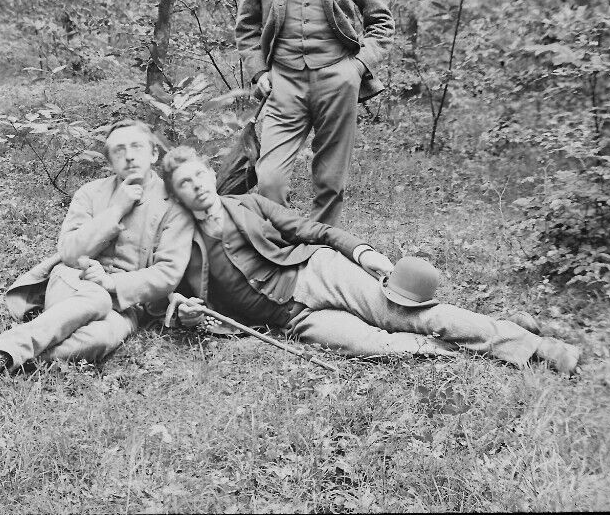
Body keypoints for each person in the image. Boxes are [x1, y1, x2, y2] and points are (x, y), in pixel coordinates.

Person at [161, 145, 581, 372]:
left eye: (198, 174)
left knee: (405, 315)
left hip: (315, 273)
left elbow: (315, 230)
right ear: (176, 194)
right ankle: (493, 337)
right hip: (293, 319)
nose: (196, 185)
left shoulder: (249, 204)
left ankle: (538, 346)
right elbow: (175, 300)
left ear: (211, 174)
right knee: (381, 346)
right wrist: (186, 316)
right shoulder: (179, 242)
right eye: (184, 183)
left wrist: (362, 252)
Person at [0, 119, 195, 385]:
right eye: (118, 150)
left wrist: (112, 282)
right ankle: (4, 352)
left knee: (101, 338)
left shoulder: (174, 204)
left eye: (137, 147)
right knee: (97, 298)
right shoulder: (90, 193)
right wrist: (116, 209)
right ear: (110, 161)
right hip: (73, 281)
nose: (128, 156)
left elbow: (167, 273)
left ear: (153, 153)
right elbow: (69, 253)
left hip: (126, 304)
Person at [235, 0, 395, 225]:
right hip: (284, 83)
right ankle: (278, 251)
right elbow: (247, 24)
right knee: (269, 179)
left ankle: (320, 257)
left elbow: (382, 24)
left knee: (329, 181)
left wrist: (356, 68)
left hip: (336, 81)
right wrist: (259, 71)